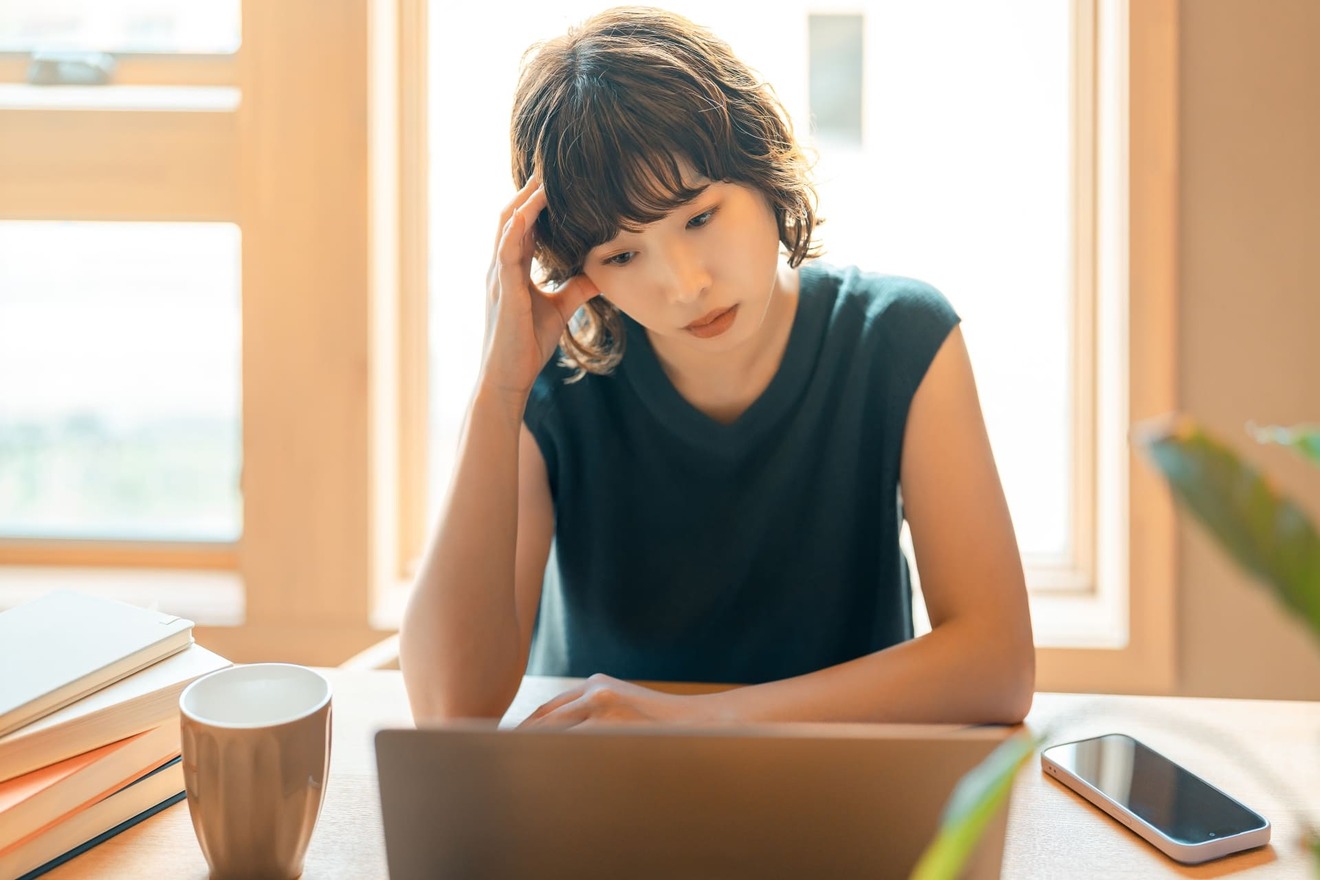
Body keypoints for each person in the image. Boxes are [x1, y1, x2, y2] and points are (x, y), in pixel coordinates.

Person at [400, 5, 1034, 728]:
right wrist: (499, 387)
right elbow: (450, 708)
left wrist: (694, 723)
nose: (684, 285)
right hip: (606, 804)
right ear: (582, 270)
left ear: (763, 167)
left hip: (839, 796)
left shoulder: (897, 339)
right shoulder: (553, 382)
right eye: (621, 256)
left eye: (700, 216)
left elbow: (999, 667)